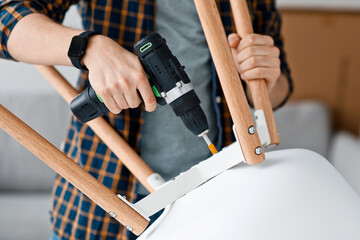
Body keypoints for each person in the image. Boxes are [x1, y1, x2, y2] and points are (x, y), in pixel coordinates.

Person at [0, 0, 293, 239]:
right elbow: (5, 15)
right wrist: (88, 48)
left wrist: (265, 78)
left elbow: (279, 90)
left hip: (218, 199)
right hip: (103, 206)